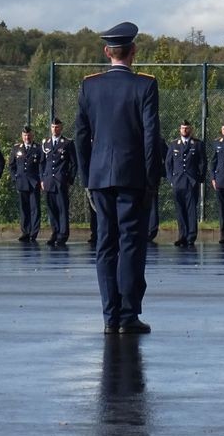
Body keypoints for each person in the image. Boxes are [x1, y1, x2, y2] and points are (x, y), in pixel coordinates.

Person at [75, 21, 162, 335]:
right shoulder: (145, 85)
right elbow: (151, 137)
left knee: (105, 245)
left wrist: (87, 177)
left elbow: (81, 137)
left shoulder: (90, 85)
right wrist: (151, 179)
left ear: (106, 51)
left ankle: (110, 316)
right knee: (130, 245)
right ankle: (128, 314)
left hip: (99, 177)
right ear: (133, 51)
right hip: (132, 176)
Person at [165, 120, 206, 247]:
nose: (185, 130)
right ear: (180, 129)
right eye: (183, 128)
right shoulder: (173, 145)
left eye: (187, 128)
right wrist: (171, 179)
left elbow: (202, 163)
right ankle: (182, 235)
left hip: (191, 182)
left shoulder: (197, 144)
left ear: (191, 130)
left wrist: (199, 178)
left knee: (191, 209)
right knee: (180, 210)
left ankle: (191, 236)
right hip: (178, 182)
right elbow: (168, 163)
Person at [41, 117, 77, 246]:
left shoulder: (67, 143)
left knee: (62, 208)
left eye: (57, 127)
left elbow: (74, 163)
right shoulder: (46, 143)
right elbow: (42, 162)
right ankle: (55, 232)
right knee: (52, 209)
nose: (54, 129)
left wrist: (70, 180)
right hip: (49, 180)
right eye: (52, 127)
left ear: (61, 128)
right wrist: (42, 179)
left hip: (61, 181)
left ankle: (63, 234)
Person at [10, 125, 44, 242]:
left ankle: (33, 233)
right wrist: (15, 178)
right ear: (22, 136)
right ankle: (25, 231)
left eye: (29, 135)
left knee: (34, 209)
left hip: (34, 182)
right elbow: (12, 165)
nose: (27, 137)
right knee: (24, 208)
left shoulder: (38, 148)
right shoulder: (16, 148)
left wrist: (40, 180)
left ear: (32, 135)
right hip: (21, 182)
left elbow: (41, 165)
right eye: (25, 135)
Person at [148, 137, 168, 243]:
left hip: (151, 178)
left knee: (152, 205)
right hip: (135, 177)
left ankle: (151, 231)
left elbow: (168, 156)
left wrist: (160, 171)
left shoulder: (158, 141)